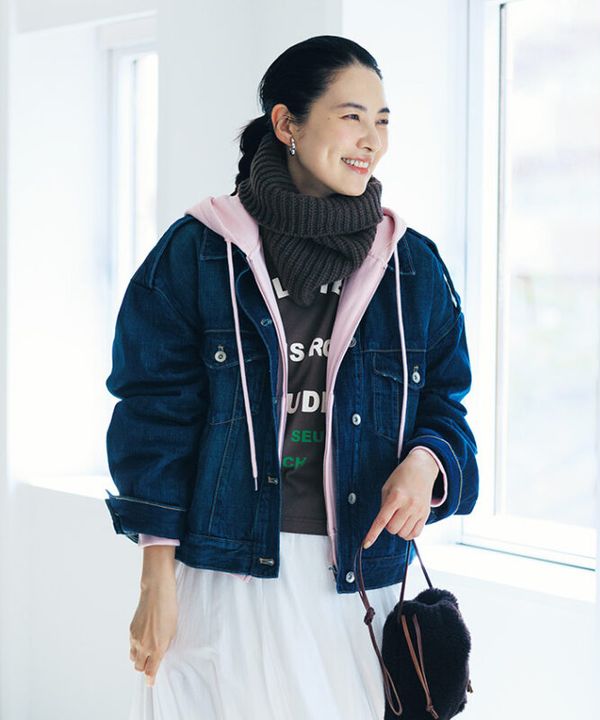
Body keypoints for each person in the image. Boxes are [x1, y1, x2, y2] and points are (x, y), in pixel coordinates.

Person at [104, 35, 478, 719]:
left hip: (360, 581)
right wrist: (156, 577)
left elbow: (446, 404)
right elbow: (153, 414)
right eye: (351, 116)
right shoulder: (198, 252)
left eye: (382, 120)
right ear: (287, 123)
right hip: (224, 573)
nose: (372, 140)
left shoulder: (412, 267)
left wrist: (428, 460)